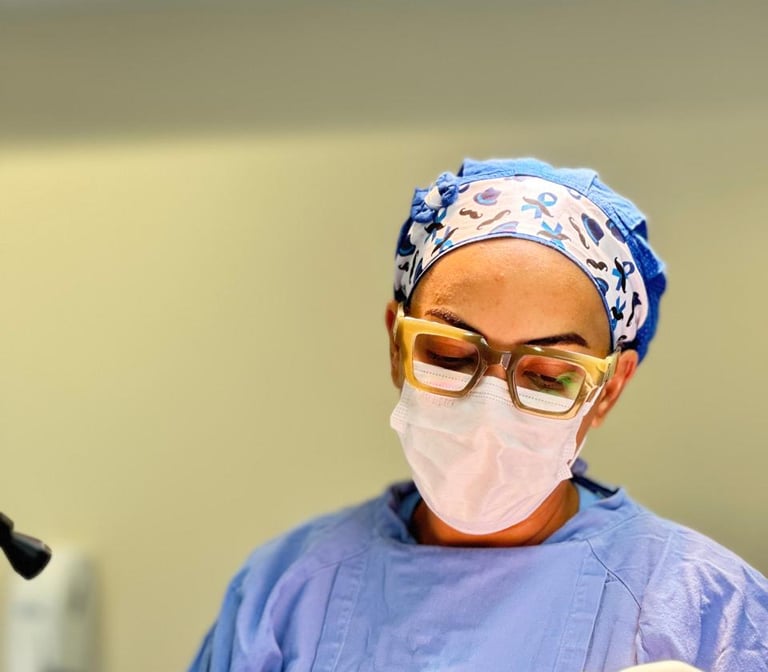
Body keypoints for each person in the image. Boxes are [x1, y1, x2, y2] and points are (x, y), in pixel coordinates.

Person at [188, 158, 768, 672]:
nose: (489, 407)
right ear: (397, 346)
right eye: (449, 354)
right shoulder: (284, 595)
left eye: (547, 374)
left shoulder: (705, 611)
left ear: (608, 388)